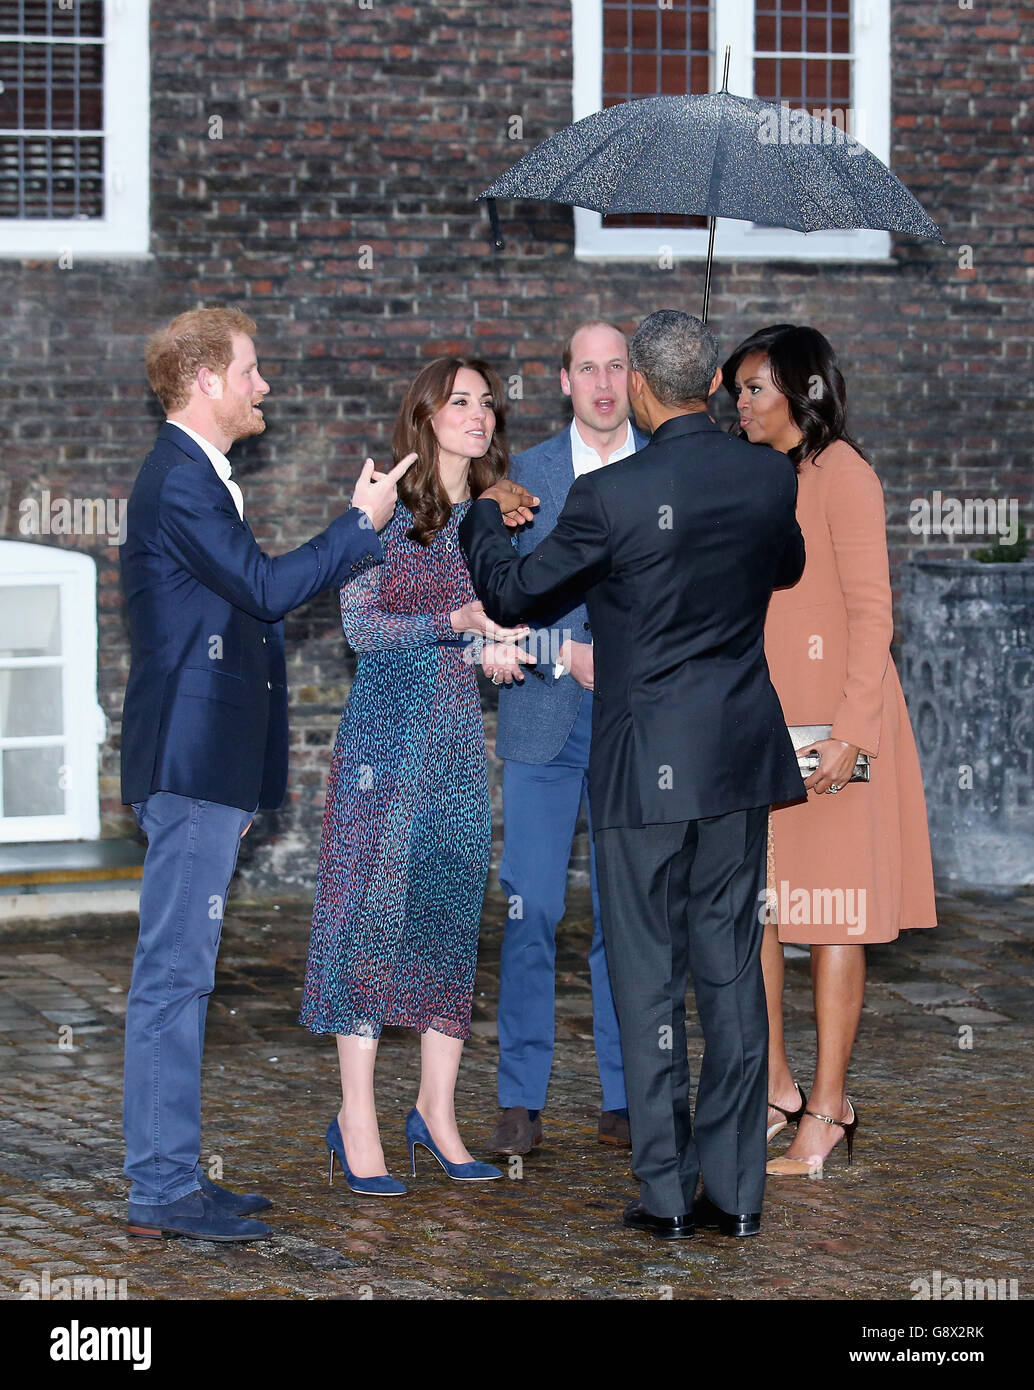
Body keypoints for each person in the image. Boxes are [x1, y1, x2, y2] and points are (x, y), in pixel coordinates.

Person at [459, 310, 806, 1240]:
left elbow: (512, 595)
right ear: (713, 390)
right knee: (731, 974)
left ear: (644, 389)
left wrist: (488, 517)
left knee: (648, 979)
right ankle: (734, 1195)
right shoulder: (768, 476)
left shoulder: (611, 498)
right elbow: (786, 564)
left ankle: (666, 1196)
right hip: (736, 761)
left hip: (644, 770)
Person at [120, 307, 413, 1242]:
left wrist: (242, 785)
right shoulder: (180, 482)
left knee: (185, 975)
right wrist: (360, 526)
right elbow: (268, 590)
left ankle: (172, 1178)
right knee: (173, 976)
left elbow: (237, 625)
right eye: (251, 371)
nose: (264, 386)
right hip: (188, 763)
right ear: (205, 379)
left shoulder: (198, 478)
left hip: (207, 769)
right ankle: (163, 1190)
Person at [299, 357, 536, 1194]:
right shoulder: (386, 506)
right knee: (368, 921)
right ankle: (355, 1119)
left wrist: (498, 643)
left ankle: (436, 1112)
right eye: (461, 401)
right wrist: (456, 620)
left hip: (455, 745)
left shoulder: (489, 518)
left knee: (443, 921)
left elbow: (488, 624)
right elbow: (361, 627)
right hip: (384, 743)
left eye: (487, 403)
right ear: (427, 415)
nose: (479, 414)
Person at [723, 324, 936, 1176]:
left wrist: (852, 733)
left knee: (834, 922)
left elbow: (873, 613)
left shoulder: (845, 474)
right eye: (735, 387)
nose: (739, 402)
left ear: (802, 393)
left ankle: (831, 1107)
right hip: (763, 729)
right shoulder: (754, 476)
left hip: (837, 735)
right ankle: (777, 1088)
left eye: (754, 388)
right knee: (766, 917)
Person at [488, 320, 648, 1157]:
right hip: (545, 724)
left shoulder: (666, 469)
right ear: (562, 380)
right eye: (587, 368)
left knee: (628, 915)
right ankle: (521, 1095)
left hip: (638, 727)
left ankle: (628, 1094)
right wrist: (566, 653)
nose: (602, 383)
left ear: (634, 377)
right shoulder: (525, 482)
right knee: (533, 908)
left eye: (616, 367)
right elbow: (493, 607)